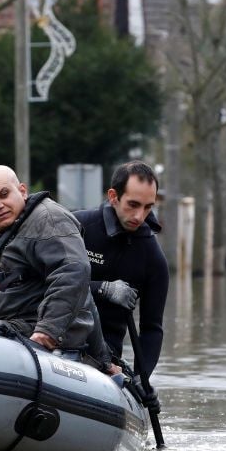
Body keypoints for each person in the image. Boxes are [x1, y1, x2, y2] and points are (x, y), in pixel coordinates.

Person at [0, 165, 116, 373]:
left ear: (22, 191)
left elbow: (73, 272)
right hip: (15, 329)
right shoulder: (14, 228)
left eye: (3, 194)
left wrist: (47, 331)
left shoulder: (47, 220)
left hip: (40, 337)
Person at [74, 161, 168, 407]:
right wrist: (104, 289)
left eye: (148, 207)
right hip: (57, 337)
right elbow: (42, 282)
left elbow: (152, 328)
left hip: (105, 355)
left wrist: (141, 377)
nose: (140, 216)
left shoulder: (153, 258)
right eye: (133, 205)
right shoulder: (78, 227)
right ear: (113, 196)